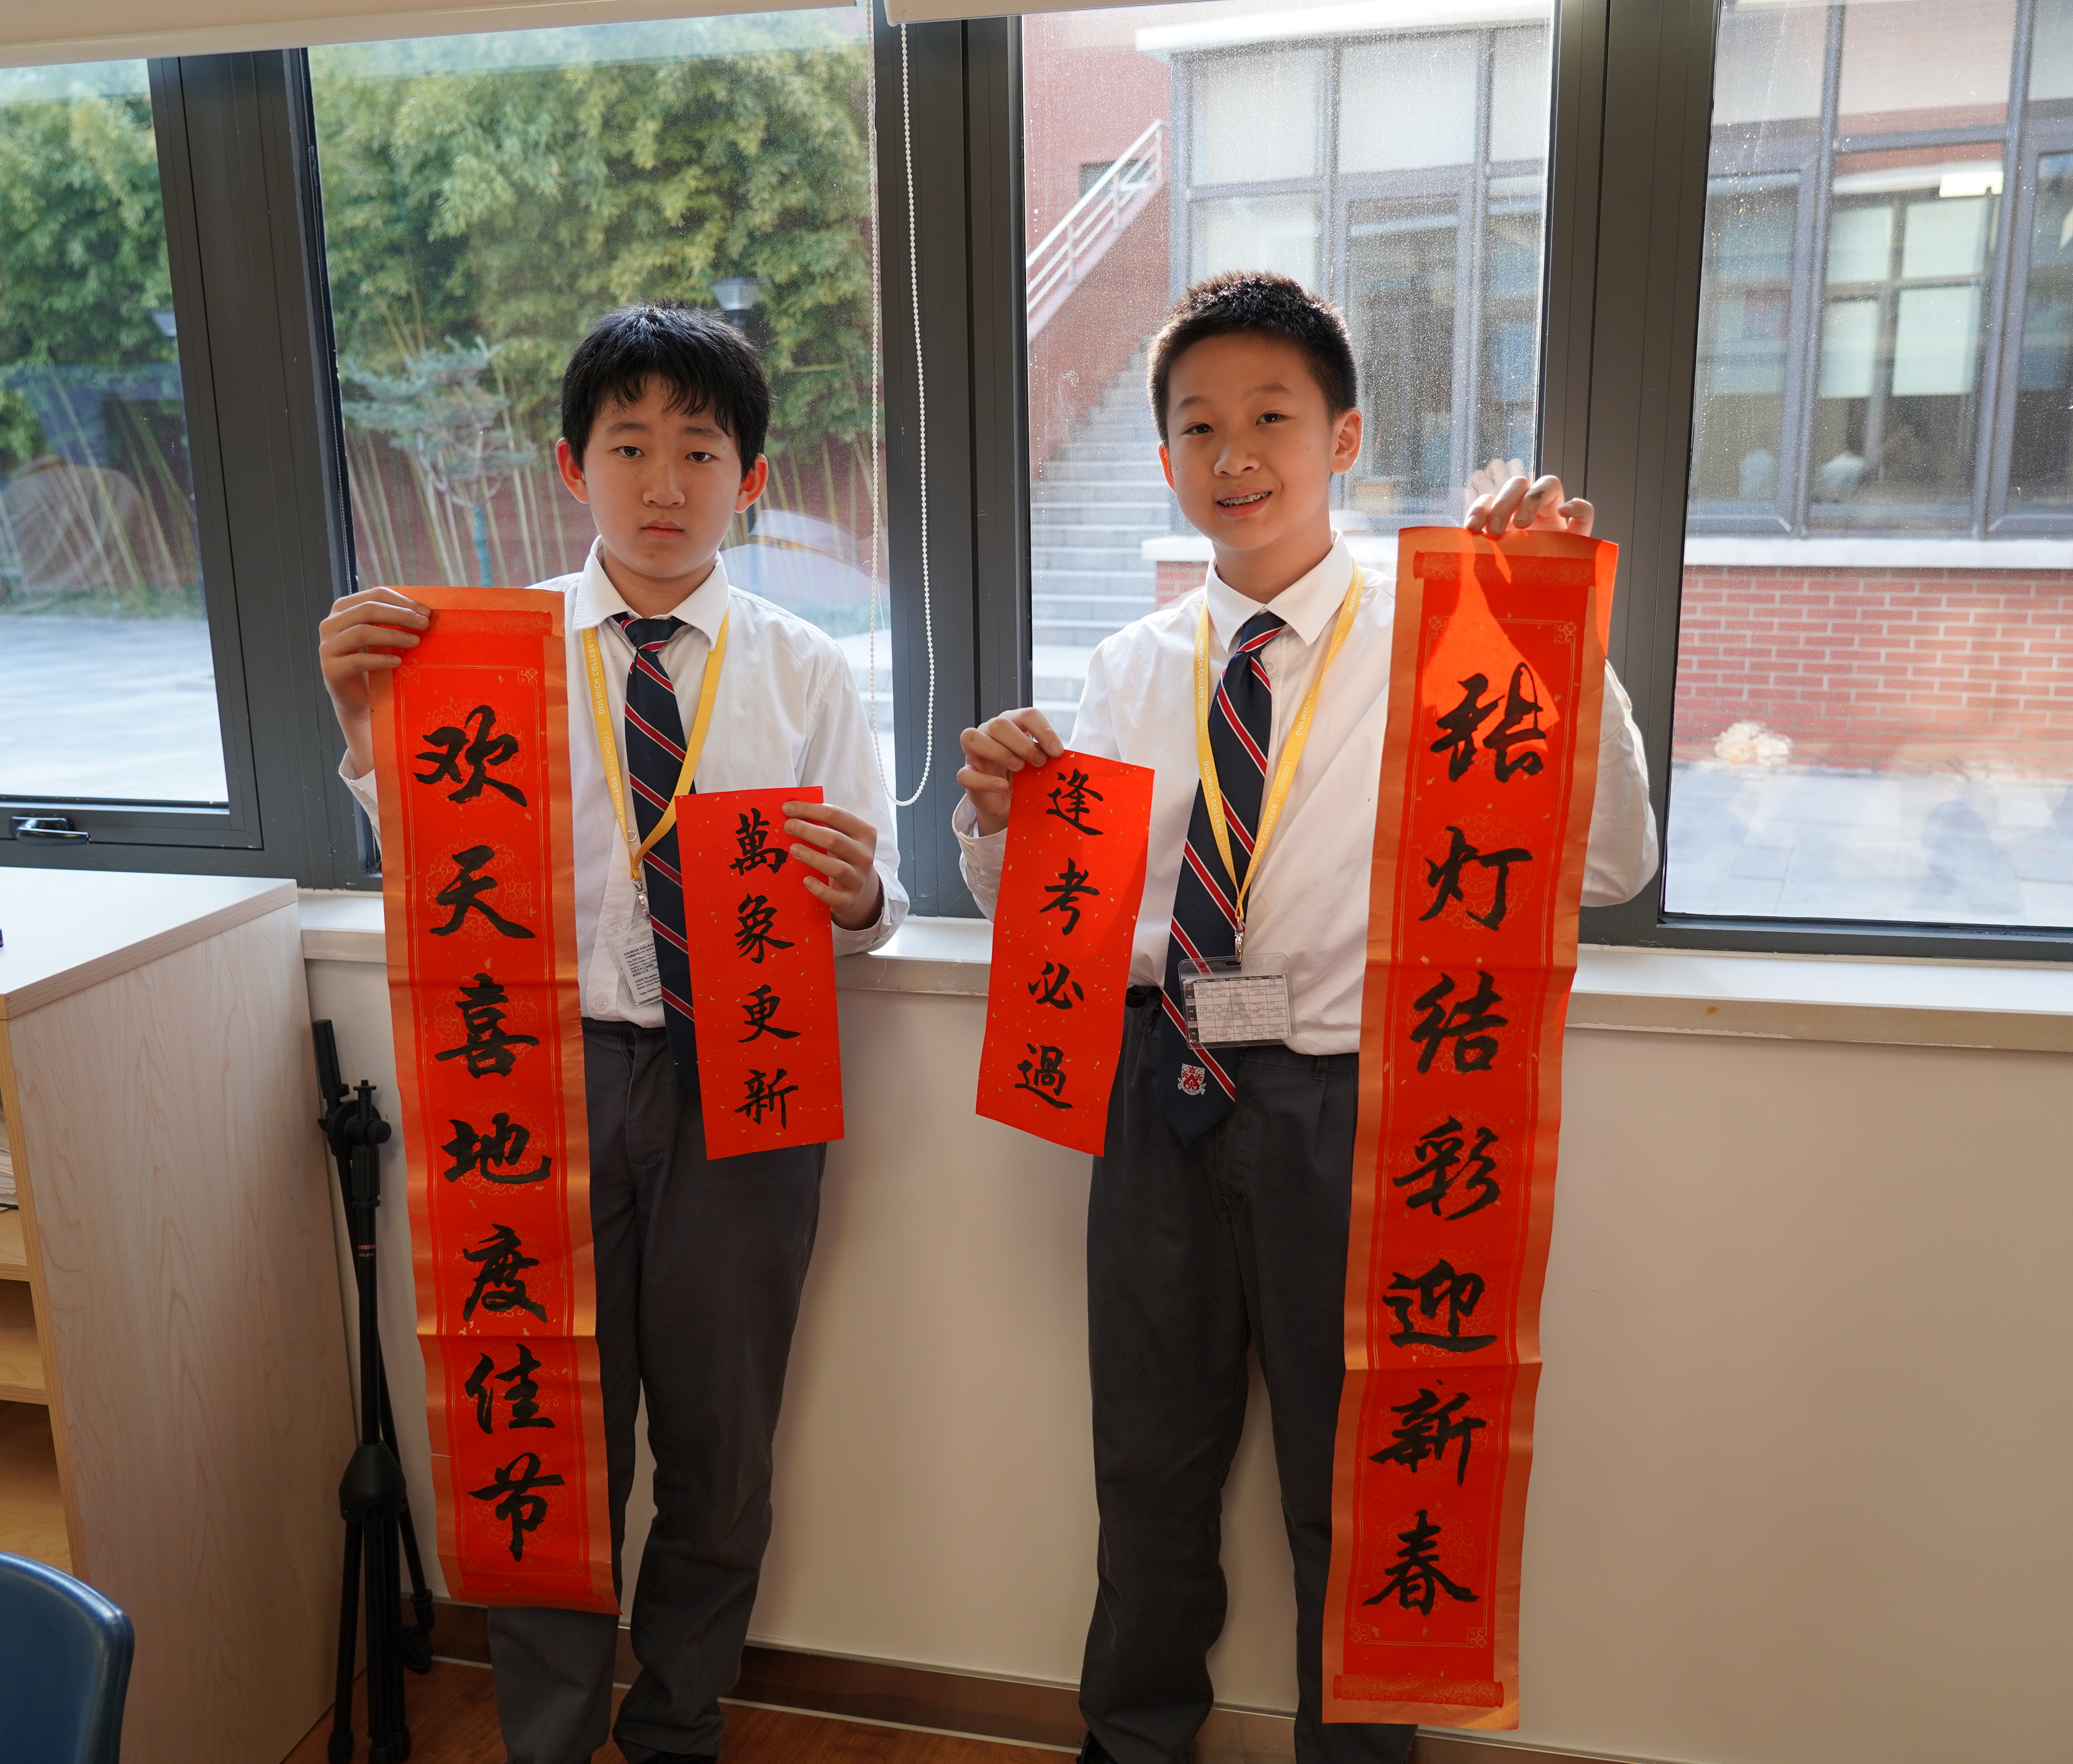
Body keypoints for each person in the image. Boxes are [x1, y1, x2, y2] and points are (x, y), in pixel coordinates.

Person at [952, 272, 1658, 1764]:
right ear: (1164, 457)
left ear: (1344, 438)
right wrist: (993, 823)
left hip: (1355, 1109)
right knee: (1150, 1471)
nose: (1234, 453)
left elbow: (1609, 866)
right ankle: (1133, 1741)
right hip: (1160, 1093)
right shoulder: (1127, 670)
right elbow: (1061, 918)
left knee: (1360, 1483)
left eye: (1271, 416)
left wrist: (1556, 639)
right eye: (1198, 425)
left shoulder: (1447, 638)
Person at [319, 303, 906, 1764]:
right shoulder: (482, 654)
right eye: (629, 445)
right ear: (570, 466)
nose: (663, 482)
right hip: (539, 1080)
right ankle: (549, 1736)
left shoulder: (806, 669)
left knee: (721, 1444)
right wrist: (362, 720)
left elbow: (873, 903)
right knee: (545, 1432)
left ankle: (679, 1727)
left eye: (699, 451)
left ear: (749, 479)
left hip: (748, 1083)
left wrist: (858, 895)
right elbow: (431, 869)